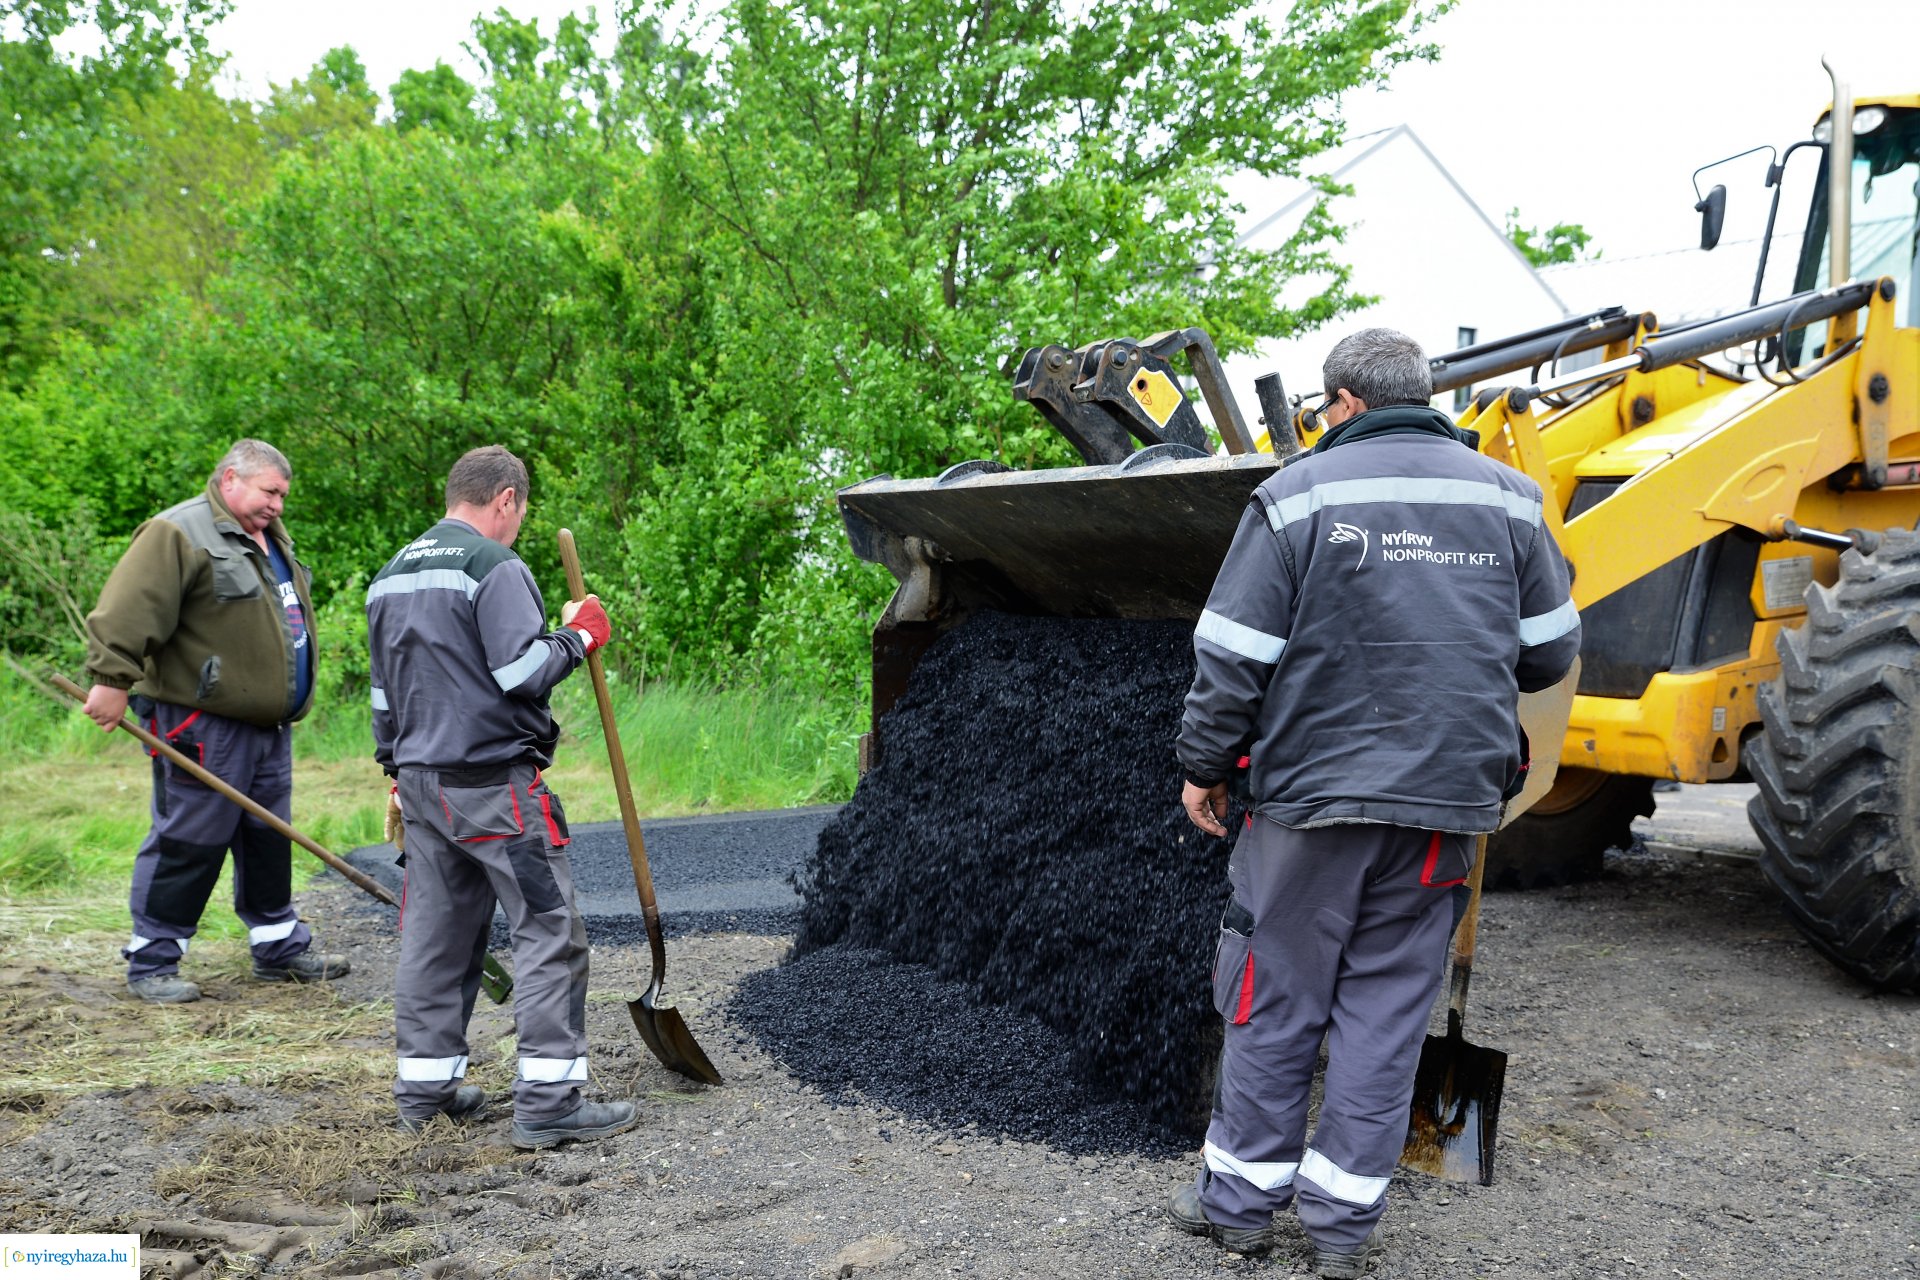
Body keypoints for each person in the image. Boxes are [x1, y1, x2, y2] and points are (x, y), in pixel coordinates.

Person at [1165, 328, 1581, 1275]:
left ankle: (1238, 1209)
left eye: (1325, 408)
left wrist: (1205, 764)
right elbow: (1551, 654)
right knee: (1387, 1013)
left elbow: (1233, 658)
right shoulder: (1512, 499)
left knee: (1273, 996)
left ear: (1346, 403)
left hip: (1309, 806)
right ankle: (1342, 1233)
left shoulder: (1297, 496)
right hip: (1445, 811)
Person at [366, 444, 636, 1149]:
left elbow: (383, 695)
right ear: (506, 499)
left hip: (421, 786)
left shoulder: (390, 575)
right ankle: (549, 1104)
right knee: (549, 932)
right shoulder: (493, 565)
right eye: (520, 512)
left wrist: (396, 769)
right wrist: (580, 635)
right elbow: (521, 672)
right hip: (491, 789)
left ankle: (425, 1096)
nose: (517, 526)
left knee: (436, 939)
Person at [83, 438, 349, 1004]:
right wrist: (111, 680)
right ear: (231, 479)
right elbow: (129, 610)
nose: (278, 504)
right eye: (269, 491)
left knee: (268, 836)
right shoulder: (178, 532)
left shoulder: (271, 538)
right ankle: (153, 960)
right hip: (201, 724)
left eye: (283, 495)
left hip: (267, 726)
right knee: (190, 837)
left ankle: (278, 948)